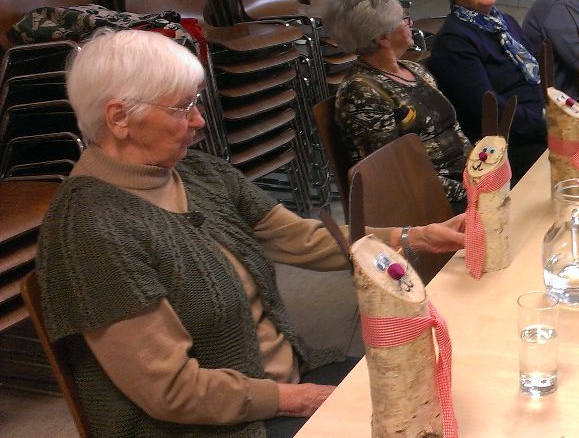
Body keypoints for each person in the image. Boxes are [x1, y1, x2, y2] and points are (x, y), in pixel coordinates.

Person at [35, 30, 465, 437]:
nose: (200, 120)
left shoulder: (197, 173)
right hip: (220, 426)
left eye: (196, 102)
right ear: (119, 118)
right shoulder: (91, 230)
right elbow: (171, 392)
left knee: (445, 391)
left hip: (286, 388)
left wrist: (415, 237)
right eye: (182, 108)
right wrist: (296, 399)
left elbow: (301, 237)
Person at [323, 0, 472, 204]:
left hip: (464, 184)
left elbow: (453, 130)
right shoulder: (362, 93)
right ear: (383, 36)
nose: (410, 23)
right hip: (428, 206)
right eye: (404, 19)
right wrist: (471, 193)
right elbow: (396, 176)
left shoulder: (414, 69)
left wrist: (480, 170)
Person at [426, 0, 547, 183]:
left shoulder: (505, 22)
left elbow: (537, 75)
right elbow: (489, 109)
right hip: (505, 145)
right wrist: (544, 123)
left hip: (535, 122)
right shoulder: (454, 41)